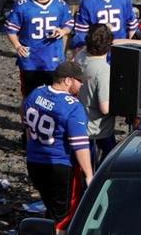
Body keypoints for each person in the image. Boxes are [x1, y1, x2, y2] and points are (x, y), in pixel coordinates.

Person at [23, 61, 93, 224]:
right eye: (79, 80)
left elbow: (26, 121)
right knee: (63, 216)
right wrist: (89, 174)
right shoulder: (73, 107)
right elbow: (80, 145)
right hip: (59, 165)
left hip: (34, 162)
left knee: (51, 205)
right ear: (68, 80)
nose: (81, 84)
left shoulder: (36, 94)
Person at [7, 0, 74, 96]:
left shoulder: (60, 5)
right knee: (29, 97)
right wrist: (17, 46)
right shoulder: (23, 6)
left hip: (52, 59)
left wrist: (62, 31)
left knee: (54, 95)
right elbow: (11, 30)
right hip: (30, 60)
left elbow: (69, 24)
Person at [76, 24, 114, 163]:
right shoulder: (103, 70)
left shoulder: (81, 56)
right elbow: (105, 108)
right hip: (98, 131)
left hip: (80, 123)